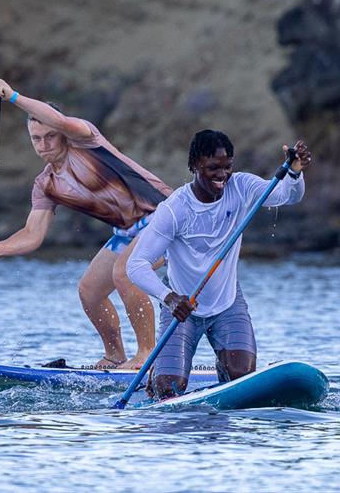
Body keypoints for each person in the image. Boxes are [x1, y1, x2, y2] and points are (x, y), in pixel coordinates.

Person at [0, 79, 171, 369]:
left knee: (127, 272)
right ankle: (114, 356)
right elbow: (32, 233)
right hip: (127, 232)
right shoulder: (45, 184)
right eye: (36, 139)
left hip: (167, 217)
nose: (44, 145)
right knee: (89, 290)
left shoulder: (85, 139)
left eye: (50, 136)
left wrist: (14, 96)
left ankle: (146, 356)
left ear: (62, 133)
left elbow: (59, 120)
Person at [126, 129, 311, 398]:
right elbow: (136, 265)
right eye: (213, 167)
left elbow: (287, 196)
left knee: (241, 377)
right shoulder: (175, 209)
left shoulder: (243, 187)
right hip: (183, 308)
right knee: (169, 390)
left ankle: (224, 375)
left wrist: (294, 172)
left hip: (227, 304)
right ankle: (157, 375)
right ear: (194, 166)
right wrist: (170, 299)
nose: (222, 175)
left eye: (227, 166)